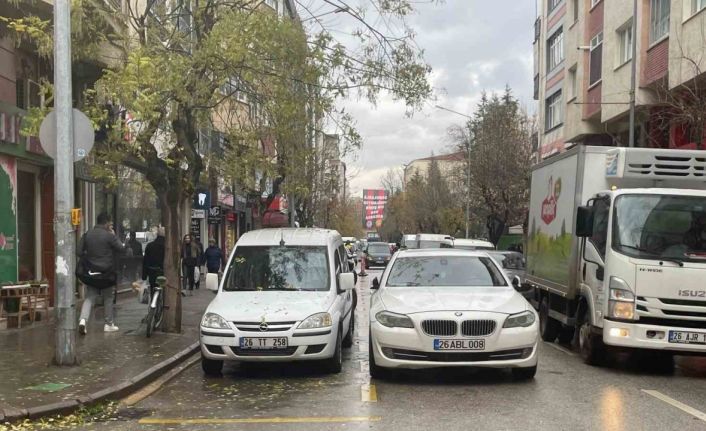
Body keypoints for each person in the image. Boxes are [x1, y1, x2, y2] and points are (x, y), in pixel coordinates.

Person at [77, 213, 125, 334]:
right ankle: (108, 324)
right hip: (106, 273)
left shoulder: (87, 234)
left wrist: (88, 259)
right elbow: (121, 248)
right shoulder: (109, 236)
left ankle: (83, 320)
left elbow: (78, 251)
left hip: (91, 272)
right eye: (111, 223)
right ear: (107, 223)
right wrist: (114, 236)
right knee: (108, 297)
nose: (111, 225)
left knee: (89, 297)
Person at [142, 227, 165, 292]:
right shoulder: (167, 246)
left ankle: (153, 300)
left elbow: (145, 261)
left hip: (152, 272)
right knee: (164, 290)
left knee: (153, 289)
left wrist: (144, 276)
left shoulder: (150, 245)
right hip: (163, 272)